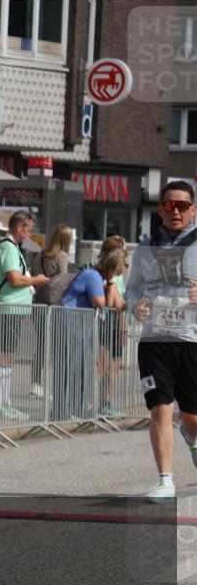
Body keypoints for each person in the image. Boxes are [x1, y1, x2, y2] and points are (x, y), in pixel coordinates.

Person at [126, 180, 197, 502]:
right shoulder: (145, 247)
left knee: (192, 417)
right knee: (160, 410)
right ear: (161, 209)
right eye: (170, 205)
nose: (176, 211)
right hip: (154, 339)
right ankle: (165, 480)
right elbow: (133, 288)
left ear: (193, 209)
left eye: (183, 205)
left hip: (191, 340)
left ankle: (192, 436)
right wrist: (135, 307)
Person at [58, 248, 127, 419]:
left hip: (81, 323)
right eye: (120, 269)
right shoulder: (93, 276)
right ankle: (64, 411)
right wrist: (110, 283)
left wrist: (110, 283)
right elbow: (101, 303)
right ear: (114, 268)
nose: (122, 271)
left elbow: (110, 305)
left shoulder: (101, 278)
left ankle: (76, 409)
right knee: (71, 367)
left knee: (82, 367)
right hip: (71, 321)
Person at [0, 211, 49, 420]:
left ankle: (5, 402)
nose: (29, 235)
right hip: (8, 309)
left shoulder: (13, 247)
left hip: (14, 310)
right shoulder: (7, 248)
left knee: (8, 357)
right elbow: (15, 279)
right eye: (28, 230)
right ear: (19, 227)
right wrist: (36, 280)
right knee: (4, 357)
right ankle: (1, 403)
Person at [29, 224, 75, 398]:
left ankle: (35, 384)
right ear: (66, 240)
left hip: (38, 304)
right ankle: (56, 386)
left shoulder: (39, 256)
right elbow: (62, 280)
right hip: (55, 306)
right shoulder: (62, 256)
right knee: (57, 346)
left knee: (40, 345)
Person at [97, 236, 129, 417]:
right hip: (108, 324)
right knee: (109, 366)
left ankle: (105, 401)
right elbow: (116, 304)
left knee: (115, 365)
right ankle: (103, 402)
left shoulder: (115, 276)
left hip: (114, 323)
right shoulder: (112, 277)